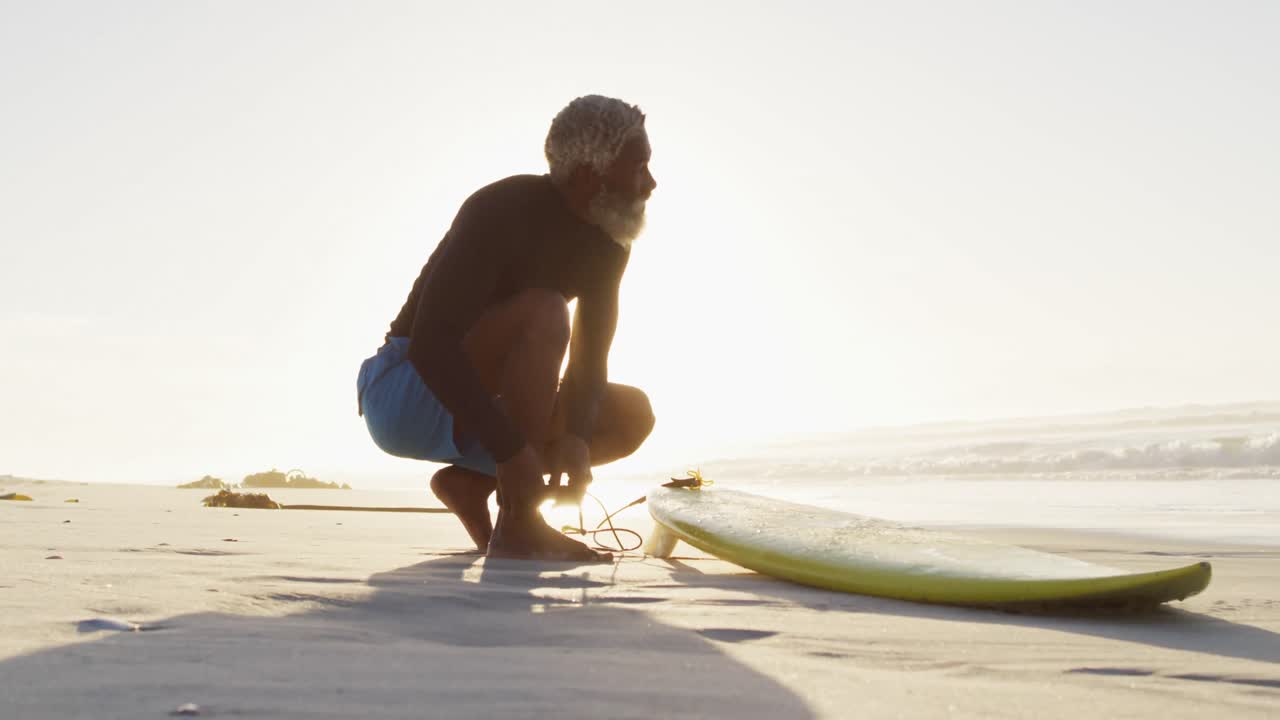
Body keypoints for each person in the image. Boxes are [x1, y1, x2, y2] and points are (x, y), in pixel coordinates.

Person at [356, 95, 657, 561]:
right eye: (638, 168)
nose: (651, 183)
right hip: (404, 393)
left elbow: (590, 355)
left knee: (631, 415)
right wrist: (512, 452)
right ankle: (519, 524)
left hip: (481, 405)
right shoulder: (502, 209)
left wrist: (576, 436)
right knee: (546, 311)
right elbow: (432, 347)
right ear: (587, 176)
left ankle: (468, 484)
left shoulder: (610, 242)